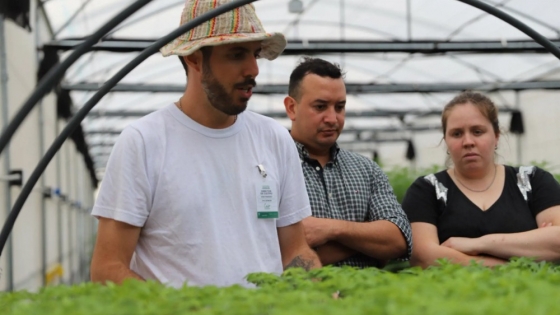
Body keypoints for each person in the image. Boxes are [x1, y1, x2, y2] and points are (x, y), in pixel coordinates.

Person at [90, 0, 321, 288]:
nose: (253, 69)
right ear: (195, 59)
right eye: (236, 54)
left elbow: (295, 250)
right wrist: (185, 308)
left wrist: (322, 292)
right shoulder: (144, 142)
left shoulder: (274, 139)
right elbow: (108, 267)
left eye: (255, 54)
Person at [402, 91, 560, 268]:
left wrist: (478, 244)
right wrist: (518, 259)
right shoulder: (427, 190)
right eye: (457, 134)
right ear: (445, 140)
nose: (468, 141)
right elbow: (423, 256)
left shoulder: (533, 181)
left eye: (478, 131)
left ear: (496, 136)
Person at [283, 57, 412, 268]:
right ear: (291, 108)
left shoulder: (366, 170)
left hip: (370, 298)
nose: (332, 118)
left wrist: (332, 229)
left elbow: (399, 239)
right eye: (320, 106)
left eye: (340, 107)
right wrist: (366, 235)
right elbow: (272, 254)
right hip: (303, 299)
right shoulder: (271, 168)